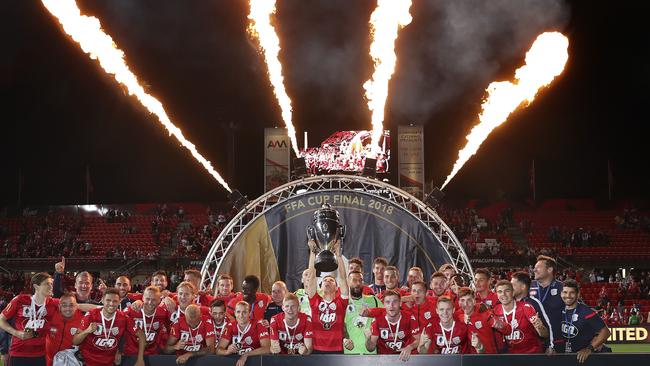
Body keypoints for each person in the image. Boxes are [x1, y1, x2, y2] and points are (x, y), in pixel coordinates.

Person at [0, 273, 60, 366]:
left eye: (51, 284)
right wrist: (16, 333)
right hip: (18, 353)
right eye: (47, 284)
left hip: (41, 354)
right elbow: (1, 320)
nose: (51, 286)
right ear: (36, 286)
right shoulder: (20, 300)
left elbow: (76, 305)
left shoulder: (53, 303)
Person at [73, 288, 142, 366]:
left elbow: (142, 335)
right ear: (102, 300)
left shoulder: (124, 318)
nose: (111, 304)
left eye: (115, 301)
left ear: (119, 302)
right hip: (87, 361)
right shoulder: (91, 315)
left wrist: (140, 359)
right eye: (108, 300)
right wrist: (87, 331)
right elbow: (75, 341)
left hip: (109, 362)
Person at [305, 239, 349, 353]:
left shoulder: (341, 303)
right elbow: (311, 278)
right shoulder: (315, 301)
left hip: (337, 351)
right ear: (321, 286)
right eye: (325, 280)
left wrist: (338, 255)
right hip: (317, 350)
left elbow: (343, 279)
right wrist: (313, 252)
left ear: (336, 287)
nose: (328, 281)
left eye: (331, 280)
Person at [559, 280, 610, 363]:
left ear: (578, 294)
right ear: (561, 294)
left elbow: (606, 332)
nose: (568, 296)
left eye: (572, 293)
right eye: (565, 292)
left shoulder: (586, 312)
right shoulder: (558, 310)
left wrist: (589, 349)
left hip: (585, 359)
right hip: (566, 357)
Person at [493, 280, 547, 353]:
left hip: (531, 354)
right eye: (500, 292)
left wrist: (540, 327)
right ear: (496, 294)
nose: (503, 294)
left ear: (513, 293)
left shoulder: (526, 307)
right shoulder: (495, 311)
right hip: (510, 357)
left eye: (507, 291)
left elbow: (544, 334)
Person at [364, 290, 420, 361]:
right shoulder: (378, 320)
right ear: (384, 304)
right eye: (388, 302)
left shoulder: (409, 317)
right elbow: (370, 349)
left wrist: (410, 347)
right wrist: (368, 339)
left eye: (395, 301)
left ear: (400, 303)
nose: (391, 305)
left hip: (404, 358)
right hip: (384, 360)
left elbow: (418, 339)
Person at [122, 286, 169, 363]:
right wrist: (118, 351)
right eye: (148, 299)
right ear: (143, 298)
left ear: (159, 300)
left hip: (152, 354)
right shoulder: (131, 310)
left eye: (154, 299)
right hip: (131, 354)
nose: (150, 302)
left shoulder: (163, 313)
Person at [511, 271, 554, 352]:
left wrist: (550, 345)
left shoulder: (534, 303)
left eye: (513, 285)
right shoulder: (508, 302)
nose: (510, 287)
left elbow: (547, 325)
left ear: (523, 286)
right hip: (512, 352)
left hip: (531, 352)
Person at [530, 255, 565, 352]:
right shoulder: (527, 287)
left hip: (557, 341)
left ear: (549, 270)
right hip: (532, 343)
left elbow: (578, 310)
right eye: (534, 267)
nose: (534, 270)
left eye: (538, 267)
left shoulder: (563, 288)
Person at [218, 301, 270, 366]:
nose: (241, 315)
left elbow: (267, 348)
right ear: (234, 313)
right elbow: (218, 350)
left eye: (244, 312)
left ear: (250, 313)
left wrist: (246, 354)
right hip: (236, 362)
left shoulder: (259, 325)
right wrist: (227, 351)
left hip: (255, 362)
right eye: (238, 312)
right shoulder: (230, 326)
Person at [455, 287, 504, 354]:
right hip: (467, 359)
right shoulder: (456, 317)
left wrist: (502, 326)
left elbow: (507, 329)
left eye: (469, 300)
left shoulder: (485, 313)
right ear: (459, 303)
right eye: (462, 300)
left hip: (488, 357)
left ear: (474, 301)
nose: (466, 304)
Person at [344, 270, 383, 355]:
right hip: (349, 354)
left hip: (370, 353)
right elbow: (339, 326)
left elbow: (387, 315)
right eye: (354, 280)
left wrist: (371, 312)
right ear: (347, 282)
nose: (358, 283)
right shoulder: (343, 302)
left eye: (360, 280)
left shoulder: (373, 300)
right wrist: (344, 339)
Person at [43, 292, 84, 366]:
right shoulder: (51, 314)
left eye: (71, 305)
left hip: (69, 362)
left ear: (76, 306)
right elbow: (42, 299)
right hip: (48, 360)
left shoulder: (83, 320)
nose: (68, 309)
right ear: (59, 306)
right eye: (64, 305)